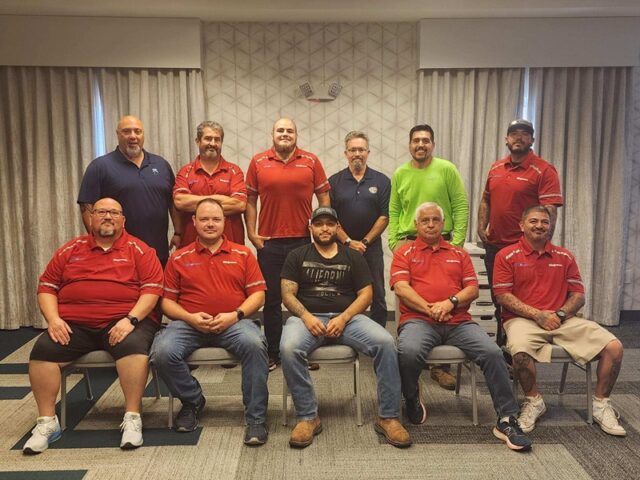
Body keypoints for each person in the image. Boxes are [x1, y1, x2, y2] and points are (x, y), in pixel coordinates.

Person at [23, 198, 163, 454]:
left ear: (123, 220)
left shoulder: (140, 249)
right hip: (75, 323)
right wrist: (53, 320)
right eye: (101, 212)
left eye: (114, 213)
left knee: (132, 346)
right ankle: (47, 422)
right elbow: (47, 287)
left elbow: (152, 290)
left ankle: (132, 417)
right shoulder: (70, 249)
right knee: (43, 349)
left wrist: (131, 319)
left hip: (125, 320)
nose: (107, 217)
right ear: (90, 217)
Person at [392, 202, 532, 452]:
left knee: (492, 353)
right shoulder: (404, 252)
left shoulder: (458, 254)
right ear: (416, 224)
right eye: (425, 220)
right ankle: (411, 396)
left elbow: (472, 289)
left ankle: (507, 419)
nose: (431, 224)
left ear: (443, 223)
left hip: (458, 321)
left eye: (436, 219)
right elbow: (402, 288)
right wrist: (430, 308)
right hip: (418, 320)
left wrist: (449, 303)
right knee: (408, 352)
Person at [279, 207, 411, 449]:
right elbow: (287, 294)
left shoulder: (353, 256)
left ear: (337, 228)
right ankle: (308, 417)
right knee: (288, 347)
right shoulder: (297, 255)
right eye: (319, 224)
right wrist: (307, 317)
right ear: (311, 228)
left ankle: (388, 417)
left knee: (386, 343)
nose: (325, 228)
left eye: (330, 224)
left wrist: (344, 317)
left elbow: (366, 295)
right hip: (308, 319)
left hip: (348, 318)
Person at [494, 205, 625, 436]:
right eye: (533, 221)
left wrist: (561, 314)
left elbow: (578, 296)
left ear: (551, 226)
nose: (539, 226)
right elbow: (503, 296)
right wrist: (537, 314)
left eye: (544, 222)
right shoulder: (506, 255)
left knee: (614, 347)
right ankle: (534, 402)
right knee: (519, 352)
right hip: (522, 320)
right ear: (521, 225)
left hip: (562, 319)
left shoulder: (565, 256)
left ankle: (601, 404)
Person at [150, 198, 269, 445]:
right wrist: (189, 318)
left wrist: (234, 315)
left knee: (255, 345)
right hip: (189, 324)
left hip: (234, 322)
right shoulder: (179, 258)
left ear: (225, 222)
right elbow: (166, 302)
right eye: (204, 219)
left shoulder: (243, 254)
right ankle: (193, 400)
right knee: (161, 352)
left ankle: (256, 417)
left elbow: (258, 295)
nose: (210, 224)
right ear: (194, 222)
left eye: (216, 219)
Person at [245, 118, 331, 370]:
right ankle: (273, 353)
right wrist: (252, 233)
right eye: (280, 130)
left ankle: (303, 351)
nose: (285, 134)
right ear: (272, 134)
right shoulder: (258, 161)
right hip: (269, 244)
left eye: (289, 130)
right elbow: (249, 200)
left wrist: (321, 229)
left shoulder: (311, 161)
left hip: (304, 242)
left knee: (305, 298)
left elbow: (324, 196)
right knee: (271, 300)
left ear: (296, 135)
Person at [389, 124, 469, 390]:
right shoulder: (401, 173)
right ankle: (411, 360)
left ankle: (440, 367)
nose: (420, 145)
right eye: (415, 141)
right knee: (408, 306)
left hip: (442, 243)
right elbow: (394, 209)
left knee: (442, 299)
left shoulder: (446, 169)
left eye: (425, 140)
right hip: (408, 243)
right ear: (409, 144)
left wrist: (455, 243)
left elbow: (459, 204)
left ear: (432, 144)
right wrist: (394, 242)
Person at [477, 119, 563, 346]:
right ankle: (502, 348)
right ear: (506, 139)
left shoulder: (544, 170)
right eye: (513, 133)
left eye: (525, 133)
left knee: (522, 302)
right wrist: (480, 226)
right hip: (495, 247)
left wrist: (543, 245)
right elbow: (486, 198)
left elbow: (550, 210)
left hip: (524, 251)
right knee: (500, 301)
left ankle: (522, 350)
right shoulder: (496, 167)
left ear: (532, 140)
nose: (518, 137)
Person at [78, 115, 181, 266]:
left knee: (156, 290)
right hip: (117, 255)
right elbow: (86, 205)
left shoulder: (161, 164)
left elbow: (172, 202)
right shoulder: (100, 166)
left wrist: (178, 233)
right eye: (127, 132)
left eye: (137, 131)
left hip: (158, 253)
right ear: (118, 134)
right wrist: (98, 239)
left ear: (143, 135)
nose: (133, 136)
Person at [329, 131, 391, 327]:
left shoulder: (382, 181)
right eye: (353, 150)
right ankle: (343, 334)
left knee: (378, 294)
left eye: (361, 149)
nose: (357, 153)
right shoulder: (334, 182)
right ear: (345, 153)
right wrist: (348, 241)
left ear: (368, 152)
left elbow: (384, 216)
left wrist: (364, 242)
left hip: (370, 248)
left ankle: (380, 337)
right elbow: (331, 219)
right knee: (342, 293)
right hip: (341, 248)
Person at [173, 121, 247, 247]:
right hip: (192, 247)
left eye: (217, 140)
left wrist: (196, 203)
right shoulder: (185, 171)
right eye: (208, 139)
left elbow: (239, 204)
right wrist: (221, 200)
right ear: (198, 141)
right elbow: (180, 202)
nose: (212, 143)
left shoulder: (234, 171)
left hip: (231, 246)